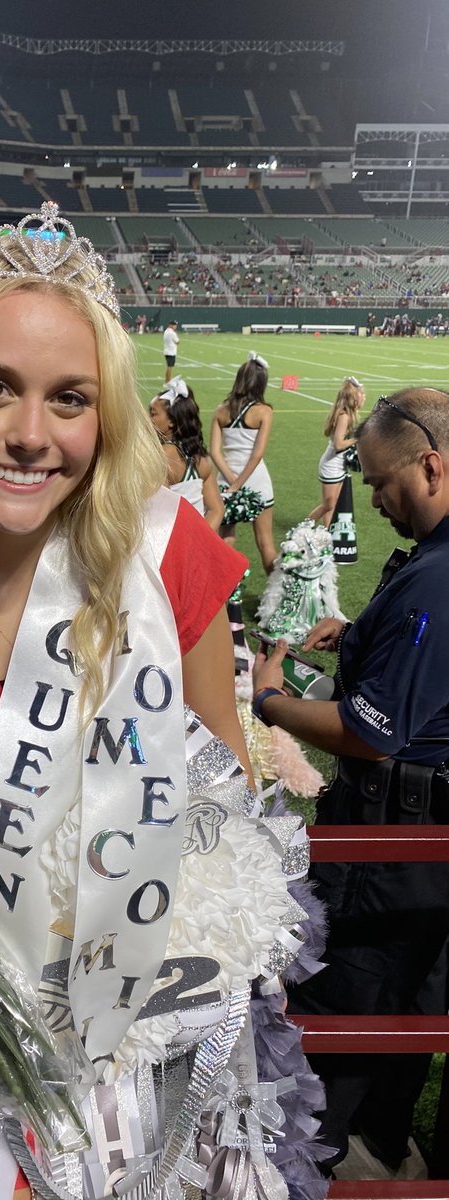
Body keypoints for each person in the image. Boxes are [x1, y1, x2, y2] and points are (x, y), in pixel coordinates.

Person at [0, 204, 318, 1197]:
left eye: (70, 400)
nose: (31, 436)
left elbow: (225, 803)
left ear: (106, 417)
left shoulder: (170, 557)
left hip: (154, 1032)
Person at [252, 387, 449, 1173]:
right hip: (420, 853)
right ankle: (381, 1141)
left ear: (430, 465)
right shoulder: (433, 563)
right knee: (412, 1003)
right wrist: (364, 635)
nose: (370, 500)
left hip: (390, 849)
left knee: (344, 1009)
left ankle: (309, 1166)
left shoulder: (440, 577)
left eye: (378, 481)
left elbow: (370, 731)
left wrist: (274, 704)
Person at [210, 351, 276, 573]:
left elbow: (215, 452)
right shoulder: (264, 411)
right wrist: (240, 483)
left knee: (226, 541)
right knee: (265, 543)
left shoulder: (221, 410)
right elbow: (257, 454)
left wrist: (231, 482)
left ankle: (227, 598)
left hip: (225, 483)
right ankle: (275, 598)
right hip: (256, 482)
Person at [149, 376, 224, 531]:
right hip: (195, 543)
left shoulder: (162, 455)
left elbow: (157, 513)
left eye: (153, 413)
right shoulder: (202, 457)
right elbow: (217, 510)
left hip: (169, 544)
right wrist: (200, 541)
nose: (147, 418)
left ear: (172, 422)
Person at [308, 376, 365, 530]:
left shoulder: (348, 414)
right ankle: (304, 527)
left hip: (338, 465)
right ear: (354, 396)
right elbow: (338, 444)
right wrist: (357, 439)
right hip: (331, 466)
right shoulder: (344, 416)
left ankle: (328, 533)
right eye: (362, 394)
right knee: (328, 504)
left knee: (332, 505)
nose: (364, 397)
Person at [162, 318, 178, 383]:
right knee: (170, 367)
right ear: (170, 325)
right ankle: (168, 380)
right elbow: (177, 341)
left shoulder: (166, 331)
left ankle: (167, 380)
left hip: (167, 350)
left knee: (169, 366)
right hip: (171, 351)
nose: (175, 326)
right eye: (174, 325)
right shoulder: (172, 333)